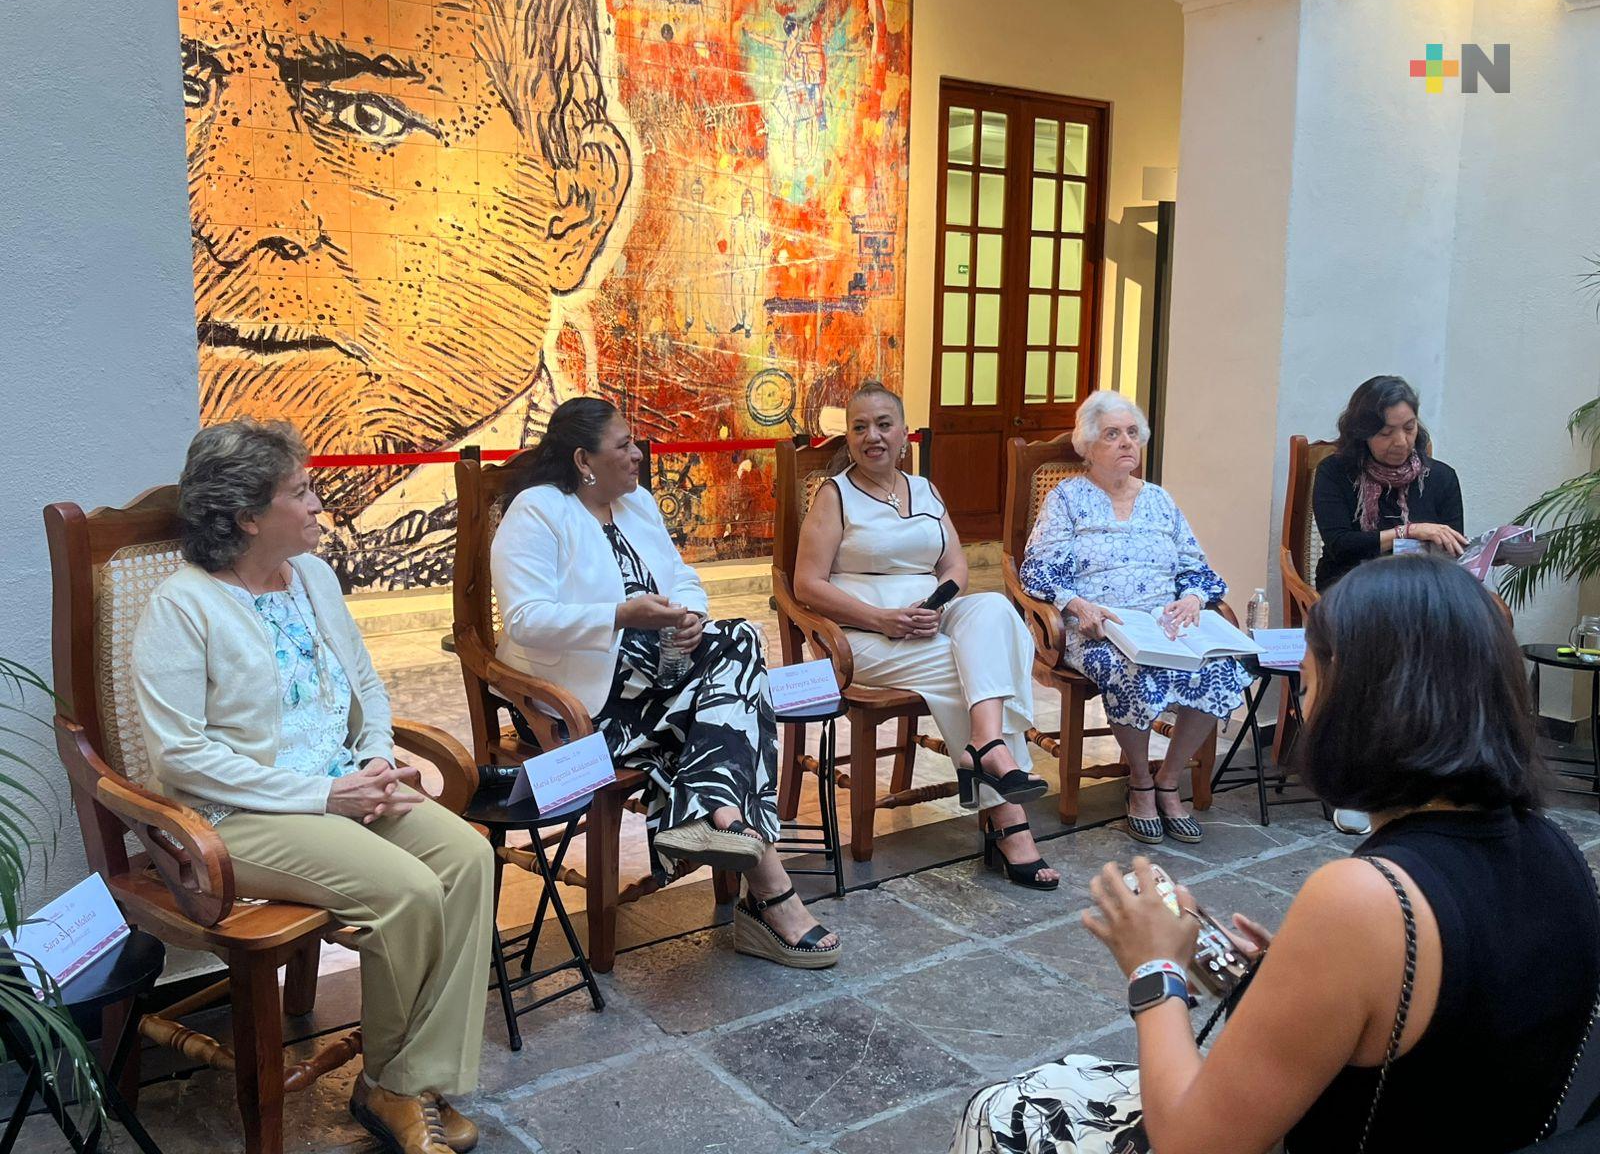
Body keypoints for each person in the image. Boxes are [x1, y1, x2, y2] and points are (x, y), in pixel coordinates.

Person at [954, 556, 1600, 1154]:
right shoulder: (1559, 851)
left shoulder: (1365, 901)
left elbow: (1190, 1144)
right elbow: (1445, 1035)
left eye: (1313, 685)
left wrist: (1155, 967)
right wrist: (1274, 982)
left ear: (1365, 705)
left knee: (1004, 1106)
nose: (1306, 707)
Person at [178, 0, 634, 589]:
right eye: (191, 91)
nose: (227, 218)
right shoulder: (184, 589)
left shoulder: (597, 520)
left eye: (366, 116)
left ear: (576, 207)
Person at [132, 420, 493, 1154]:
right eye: (302, 492)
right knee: (407, 891)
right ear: (246, 516)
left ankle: (407, 1076)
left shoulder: (316, 578)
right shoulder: (182, 606)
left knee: (467, 859)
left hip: (342, 786)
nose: (320, 505)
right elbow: (180, 759)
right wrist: (326, 797)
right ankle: (393, 1086)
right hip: (236, 818)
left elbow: (362, 683)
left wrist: (375, 758)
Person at [491, 397, 840, 967]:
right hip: (582, 702)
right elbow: (526, 620)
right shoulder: (537, 511)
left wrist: (691, 620)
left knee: (739, 638)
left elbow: (681, 576)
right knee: (737, 693)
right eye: (623, 445)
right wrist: (621, 615)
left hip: (660, 680)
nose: (637, 454)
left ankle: (714, 816)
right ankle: (755, 871)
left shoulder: (637, 504)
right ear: (583, 459)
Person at [793, 381, 1059, 889]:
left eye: (884, 424)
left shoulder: (926, 489)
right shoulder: (834, 496)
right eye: (860, 427)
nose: (873, 436)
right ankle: (1010, 822)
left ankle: (983, 745)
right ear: (848, 437)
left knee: (994, 612)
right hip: (862, 636)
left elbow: (955, 564)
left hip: (927, 617)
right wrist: (883, 619)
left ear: (904, 434)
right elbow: (807, 584)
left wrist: (937, 605)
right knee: (971, 671)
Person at [1020, 390, 1248, 845]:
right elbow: (1036, 566)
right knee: (1132, 671)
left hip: (1165, 623)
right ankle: (1140, 783)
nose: (1126, 442)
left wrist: (1194, 598)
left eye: (1131, 433)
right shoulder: (1067, 498)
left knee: (1223, 669)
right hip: (1101, 626)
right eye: (1112, 434)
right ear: (1087, 445)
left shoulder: (1161, 500)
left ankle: (1169, 780)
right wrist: (1075, 604)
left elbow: (1194, 563)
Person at [1312, 375, 1467, 591]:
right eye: (1386, 433)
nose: (1401, 442)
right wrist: (1409, 532)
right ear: (1362, 434)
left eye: (1409, 428)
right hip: (1349, 586)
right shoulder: (1335, 472)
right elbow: (1341, 546)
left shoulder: (1441, 477)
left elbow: (1452, 550)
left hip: (1422, 587)